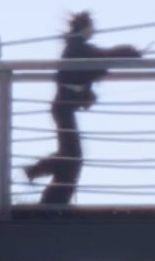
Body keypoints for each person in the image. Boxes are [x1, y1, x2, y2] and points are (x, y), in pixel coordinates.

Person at [22, 12, 142, 206]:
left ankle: (43, 180)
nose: (93, 30)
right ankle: (37, 173)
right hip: (63, 109)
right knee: (73, 157)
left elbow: (93, 65)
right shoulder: (76, 48)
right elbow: (101, 58)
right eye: (91, 26)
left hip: (63, 108)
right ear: (84, 28)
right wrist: (128, 52)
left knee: (71, 156)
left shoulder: (75, 47)